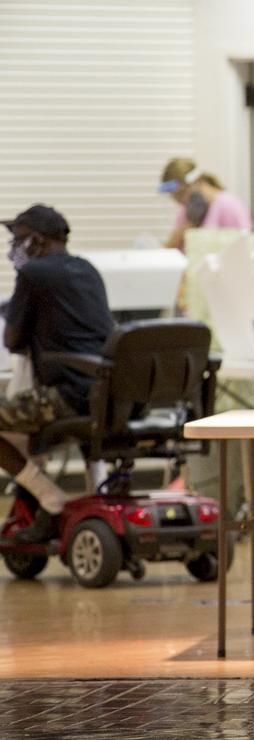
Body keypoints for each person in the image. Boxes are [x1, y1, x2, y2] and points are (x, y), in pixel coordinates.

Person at [1, 205, 114, 542]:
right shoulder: (88, 269)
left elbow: (13, 339)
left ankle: (49, 498)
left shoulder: (33, 274)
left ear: (36, 240)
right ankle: (95, 490)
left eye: (19, 240)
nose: (14, 249)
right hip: (105, 392)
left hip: (68, 395)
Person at [158, 158, 251, 250]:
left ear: (197, 180)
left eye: (181, 194)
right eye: (174, 197)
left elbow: (243, 247)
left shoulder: (228, 205)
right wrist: (189, 224)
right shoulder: (187, 209)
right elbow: (170, 249)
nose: (180, 202)